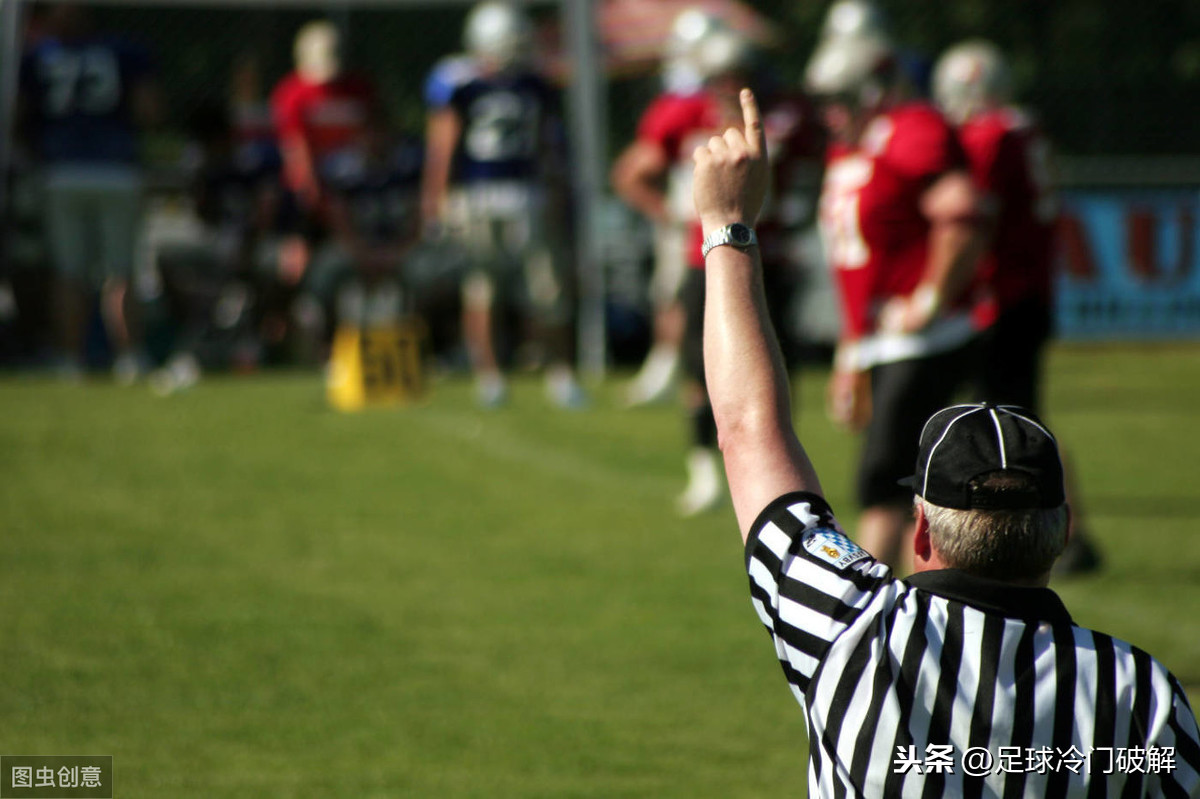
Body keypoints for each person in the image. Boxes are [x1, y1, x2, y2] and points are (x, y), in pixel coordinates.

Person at [693, 86, 1200, 797]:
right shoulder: (1137, 694)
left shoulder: (847, 628)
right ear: (1061, 533)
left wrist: (726, 225)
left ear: (921, 530)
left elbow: (749, 431)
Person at [805, 30, 991, 569]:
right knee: (902, 489)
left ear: (871, 90)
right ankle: (915, 614)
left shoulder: (910, 130)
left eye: (839, 100)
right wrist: (850, 353)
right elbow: (855, 268)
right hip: (879, 340)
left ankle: (876, 622)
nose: (830, 115)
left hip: (922, 340)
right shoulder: (853, 145)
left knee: (886, 485)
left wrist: (931, 296)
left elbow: (962, 215)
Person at [931, 39, 1102, 576]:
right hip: (1030, 292)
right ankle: (1064, 533)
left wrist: (945, 288)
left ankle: (1058, 533)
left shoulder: (991, 135)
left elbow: (976, 218)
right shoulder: (1027, 130)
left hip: (1003, 296)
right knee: (1018, 417)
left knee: (1010, 424)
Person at [612, 21, 761, 516]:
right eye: (719, 73)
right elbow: (631, 172)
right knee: (702, 370)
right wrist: (670, 214)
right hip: (704, 251)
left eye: (734, 72)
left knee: (770, 369)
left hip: (766, 253)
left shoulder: (772, 112)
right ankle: (703, 468)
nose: (726, 83)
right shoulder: (680, 112)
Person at [420, 1, 585, 409]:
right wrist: (433, 198)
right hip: (475, 197)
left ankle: (560, 373)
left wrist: (558, 193)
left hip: (527, 194)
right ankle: (489, 376)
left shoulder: (535, 83)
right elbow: (443, 145)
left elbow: (549, 147)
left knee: (548, 290)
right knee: (482, 290)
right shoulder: (459, 82)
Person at [17, 2, 162, 382]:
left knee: (69, 272)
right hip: (116, 170)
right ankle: (130, 358)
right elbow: (148, 109)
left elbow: (20, 114)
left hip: (61, 171)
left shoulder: (38, 57)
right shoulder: (126, 51)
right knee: (121, 270)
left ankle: (70, 360)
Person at [267, 19, 380, 364]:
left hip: (356, 201)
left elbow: (373, 141)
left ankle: (349, 345)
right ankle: (281, 341)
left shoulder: (359, 89)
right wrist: (314, 209)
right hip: (309, 206)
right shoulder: (291, 93)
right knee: (295, 271)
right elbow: (296, 156)